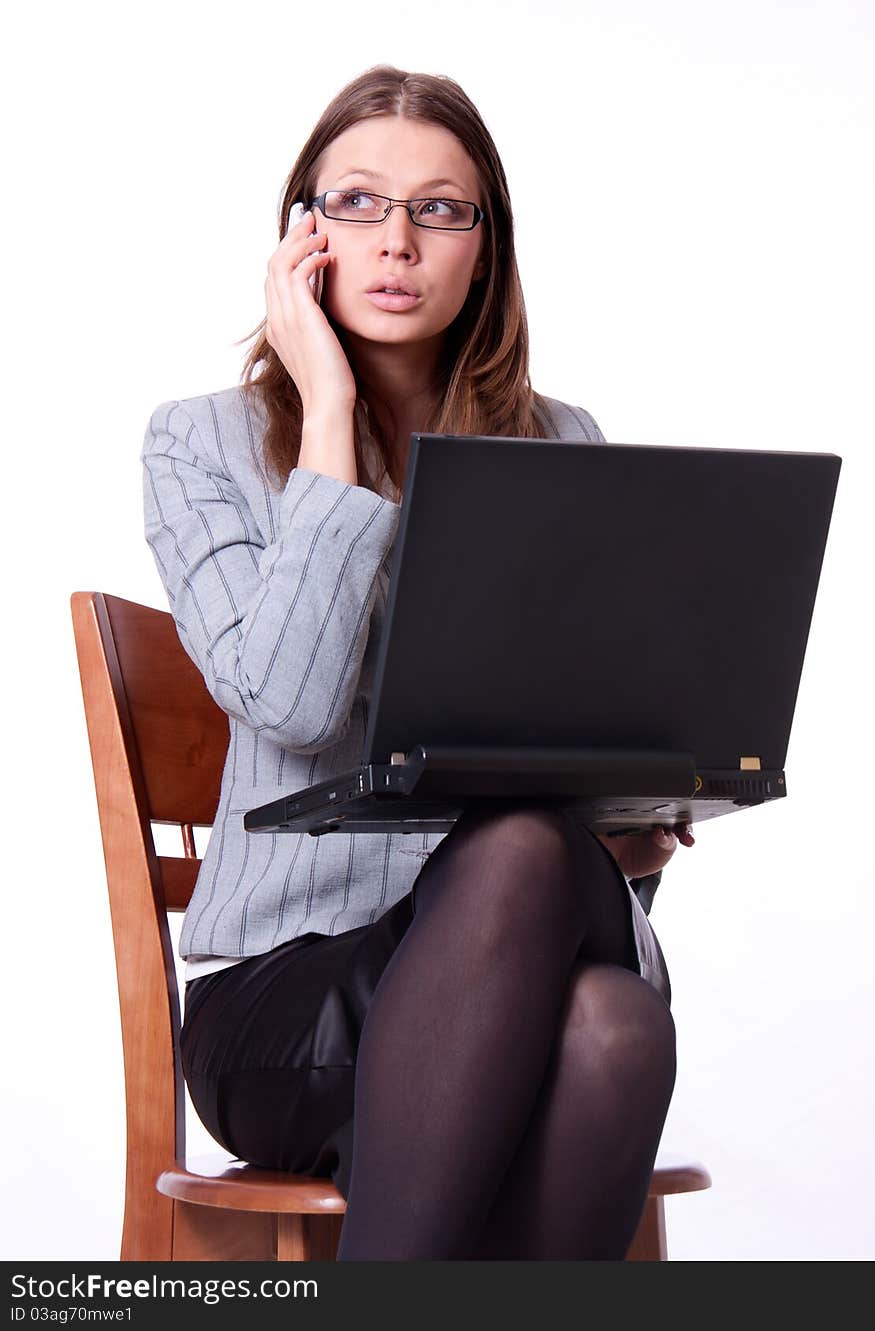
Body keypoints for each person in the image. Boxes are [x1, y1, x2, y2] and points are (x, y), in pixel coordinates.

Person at [142, 63, 695, 1261]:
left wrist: (633, 828)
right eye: (357, 202)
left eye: (441, 209)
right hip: (286, 1008)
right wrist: (328, 408)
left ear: (485, 248)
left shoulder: (563, 445)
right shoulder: (202, 444)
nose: (397, 241)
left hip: (529, 958)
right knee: (555, 919)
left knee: (607, 1012)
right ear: (302, 233)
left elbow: (575, 742)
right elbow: (284, 698)